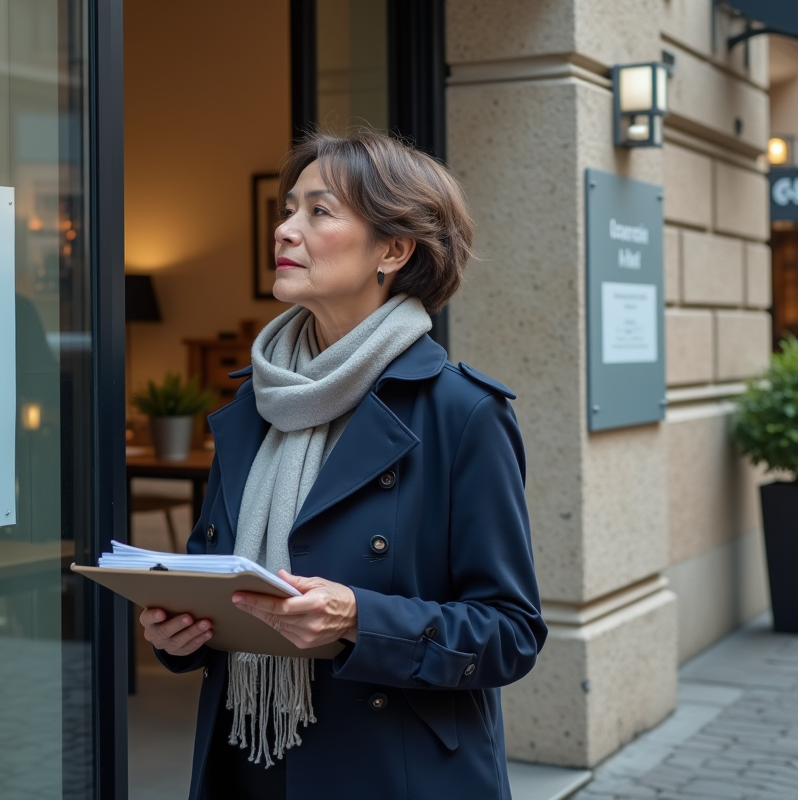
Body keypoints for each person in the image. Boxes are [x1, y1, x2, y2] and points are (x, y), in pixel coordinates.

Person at [140, 130, 547, 800]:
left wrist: (360, 617)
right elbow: (212, 574)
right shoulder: (251, 405)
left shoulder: (460, 412)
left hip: (392, 771)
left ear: (394, 249)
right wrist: (177, 632)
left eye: (318, 212)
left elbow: (510, 632)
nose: (285, 229)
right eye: (288, 208)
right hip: (248, 764)